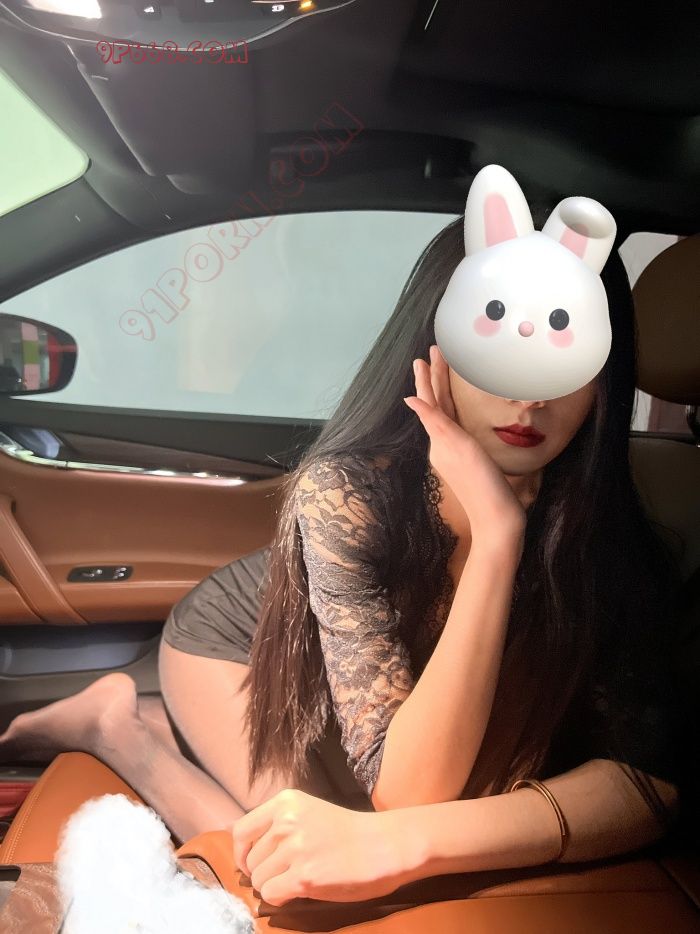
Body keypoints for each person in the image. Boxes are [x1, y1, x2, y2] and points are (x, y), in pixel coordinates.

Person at [0, 216, 683, 903]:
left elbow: (651, 778)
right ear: (436, 346)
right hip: (242, 645)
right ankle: (119, 729)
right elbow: (413, 795)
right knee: (280, 867)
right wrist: (498, 537)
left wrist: (409, 840)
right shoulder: (346, 491)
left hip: (382, 708)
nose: (528, 394)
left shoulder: (609, 526)